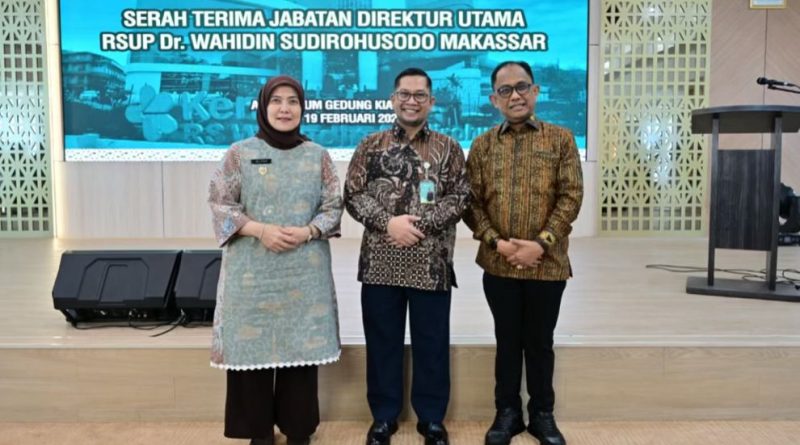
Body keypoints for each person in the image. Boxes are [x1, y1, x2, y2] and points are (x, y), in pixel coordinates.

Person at [208, 75, 343, 445]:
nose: (285, 109)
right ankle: (259, 433)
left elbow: (333, 206)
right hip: (251, 271)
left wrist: (308, 231)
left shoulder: (318, 155)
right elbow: (220, 204)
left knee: (301, 352)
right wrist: (260, 230)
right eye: (277, 101)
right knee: (250, 355)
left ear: (303, 108)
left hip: (304, 270)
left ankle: (298, 430)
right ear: (263, 106)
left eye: (293, 101)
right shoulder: (239, 153)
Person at [344, 67, 470, 445]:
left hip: (431, 263)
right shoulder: (370, 144)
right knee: (383, 342)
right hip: (380, 262)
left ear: (431, 101)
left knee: (432, 343)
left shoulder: (449, 147)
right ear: (393, 99)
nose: (411, 101)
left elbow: (460, 197)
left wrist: (418, 227)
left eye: (419, 95)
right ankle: (383, 417)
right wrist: (389, 224)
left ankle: (431, 420)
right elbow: (353, 194)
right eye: (404, 94)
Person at [463, 61, 583, 445]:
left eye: (522, 87)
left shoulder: (561, 139)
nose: (514, 95)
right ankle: (508, 413)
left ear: (535, 91)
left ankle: (543, 414)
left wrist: (540, 243)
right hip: (499, 264)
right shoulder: (482, 145)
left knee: (540, 342)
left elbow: (571, 196)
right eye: (505, 90)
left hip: (547, 265)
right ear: (493, 99)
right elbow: (471, 204)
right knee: (507, 341)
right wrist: (497, 242)